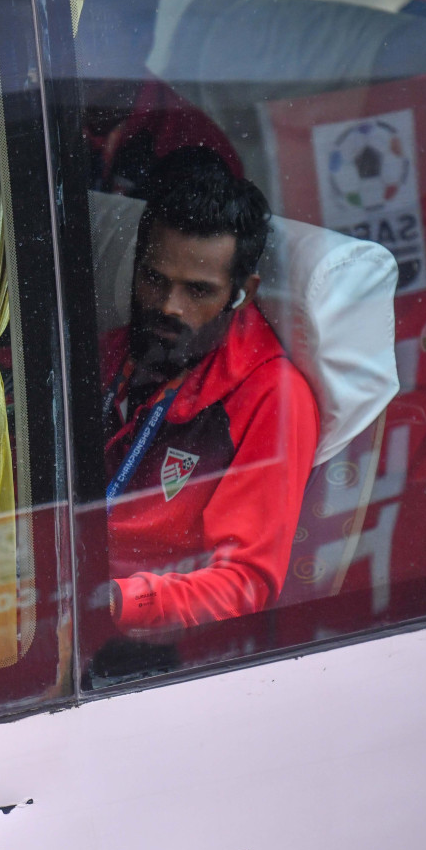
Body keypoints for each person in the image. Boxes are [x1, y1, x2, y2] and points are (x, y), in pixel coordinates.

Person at [103, 156, 319, 632]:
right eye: (154, 279)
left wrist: (113, 604)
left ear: (242, 293)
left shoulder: (272, 397)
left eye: (198, 291)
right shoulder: (110, 352)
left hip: (151, 648)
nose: (168, 306)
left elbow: (244, 583)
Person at [75, 0, 243, 198]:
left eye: (95, 37)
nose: (77, 56)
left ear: (142, 42)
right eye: (70, 35)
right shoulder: (40, 113)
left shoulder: (196, 149)